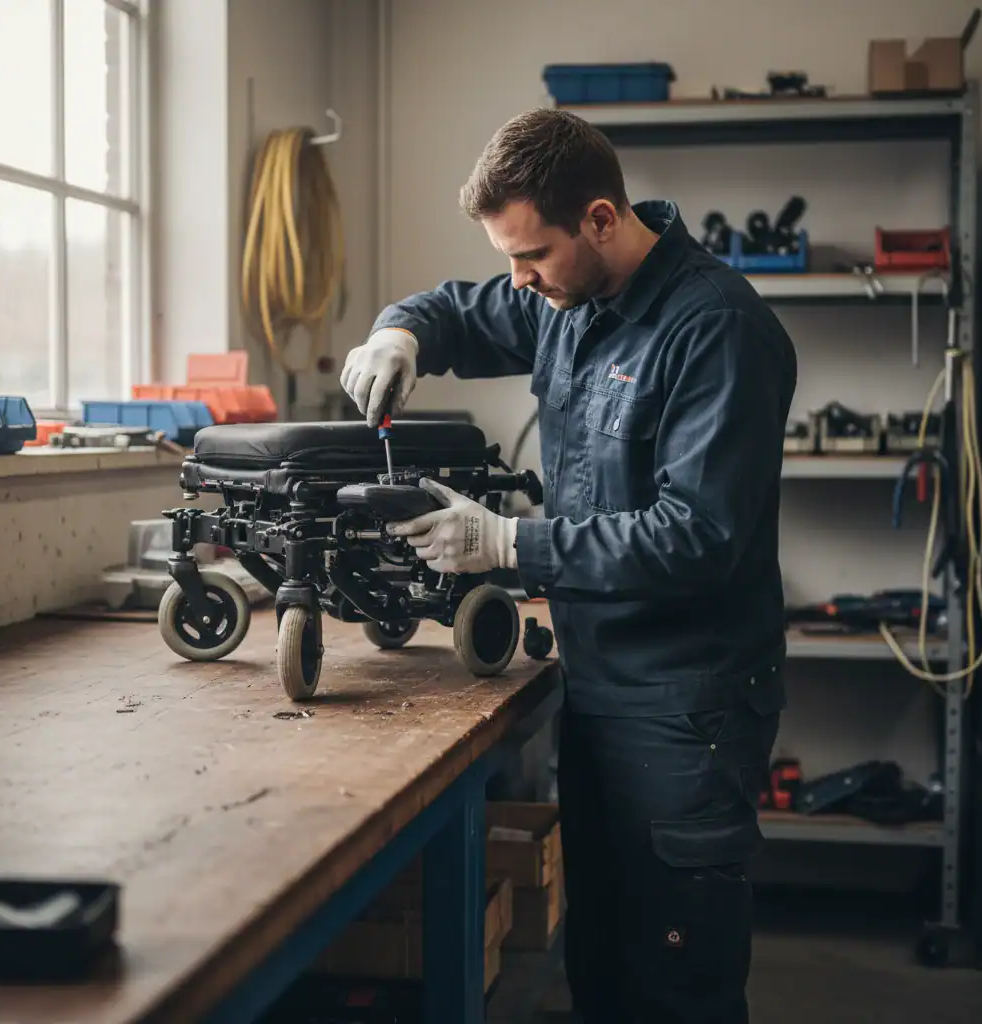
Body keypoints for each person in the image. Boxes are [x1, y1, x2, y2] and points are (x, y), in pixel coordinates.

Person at [340, 107, 797, 1023]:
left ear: (599, 218)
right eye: (508, 257)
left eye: (531, 256)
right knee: (604, 968)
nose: (518, 280)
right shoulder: (565, 296)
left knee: (676, 981)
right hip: (596, 688)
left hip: (687, 706)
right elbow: (459, 311)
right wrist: (399, 333)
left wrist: (511, 545)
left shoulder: (716, 330)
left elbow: (697, 537)